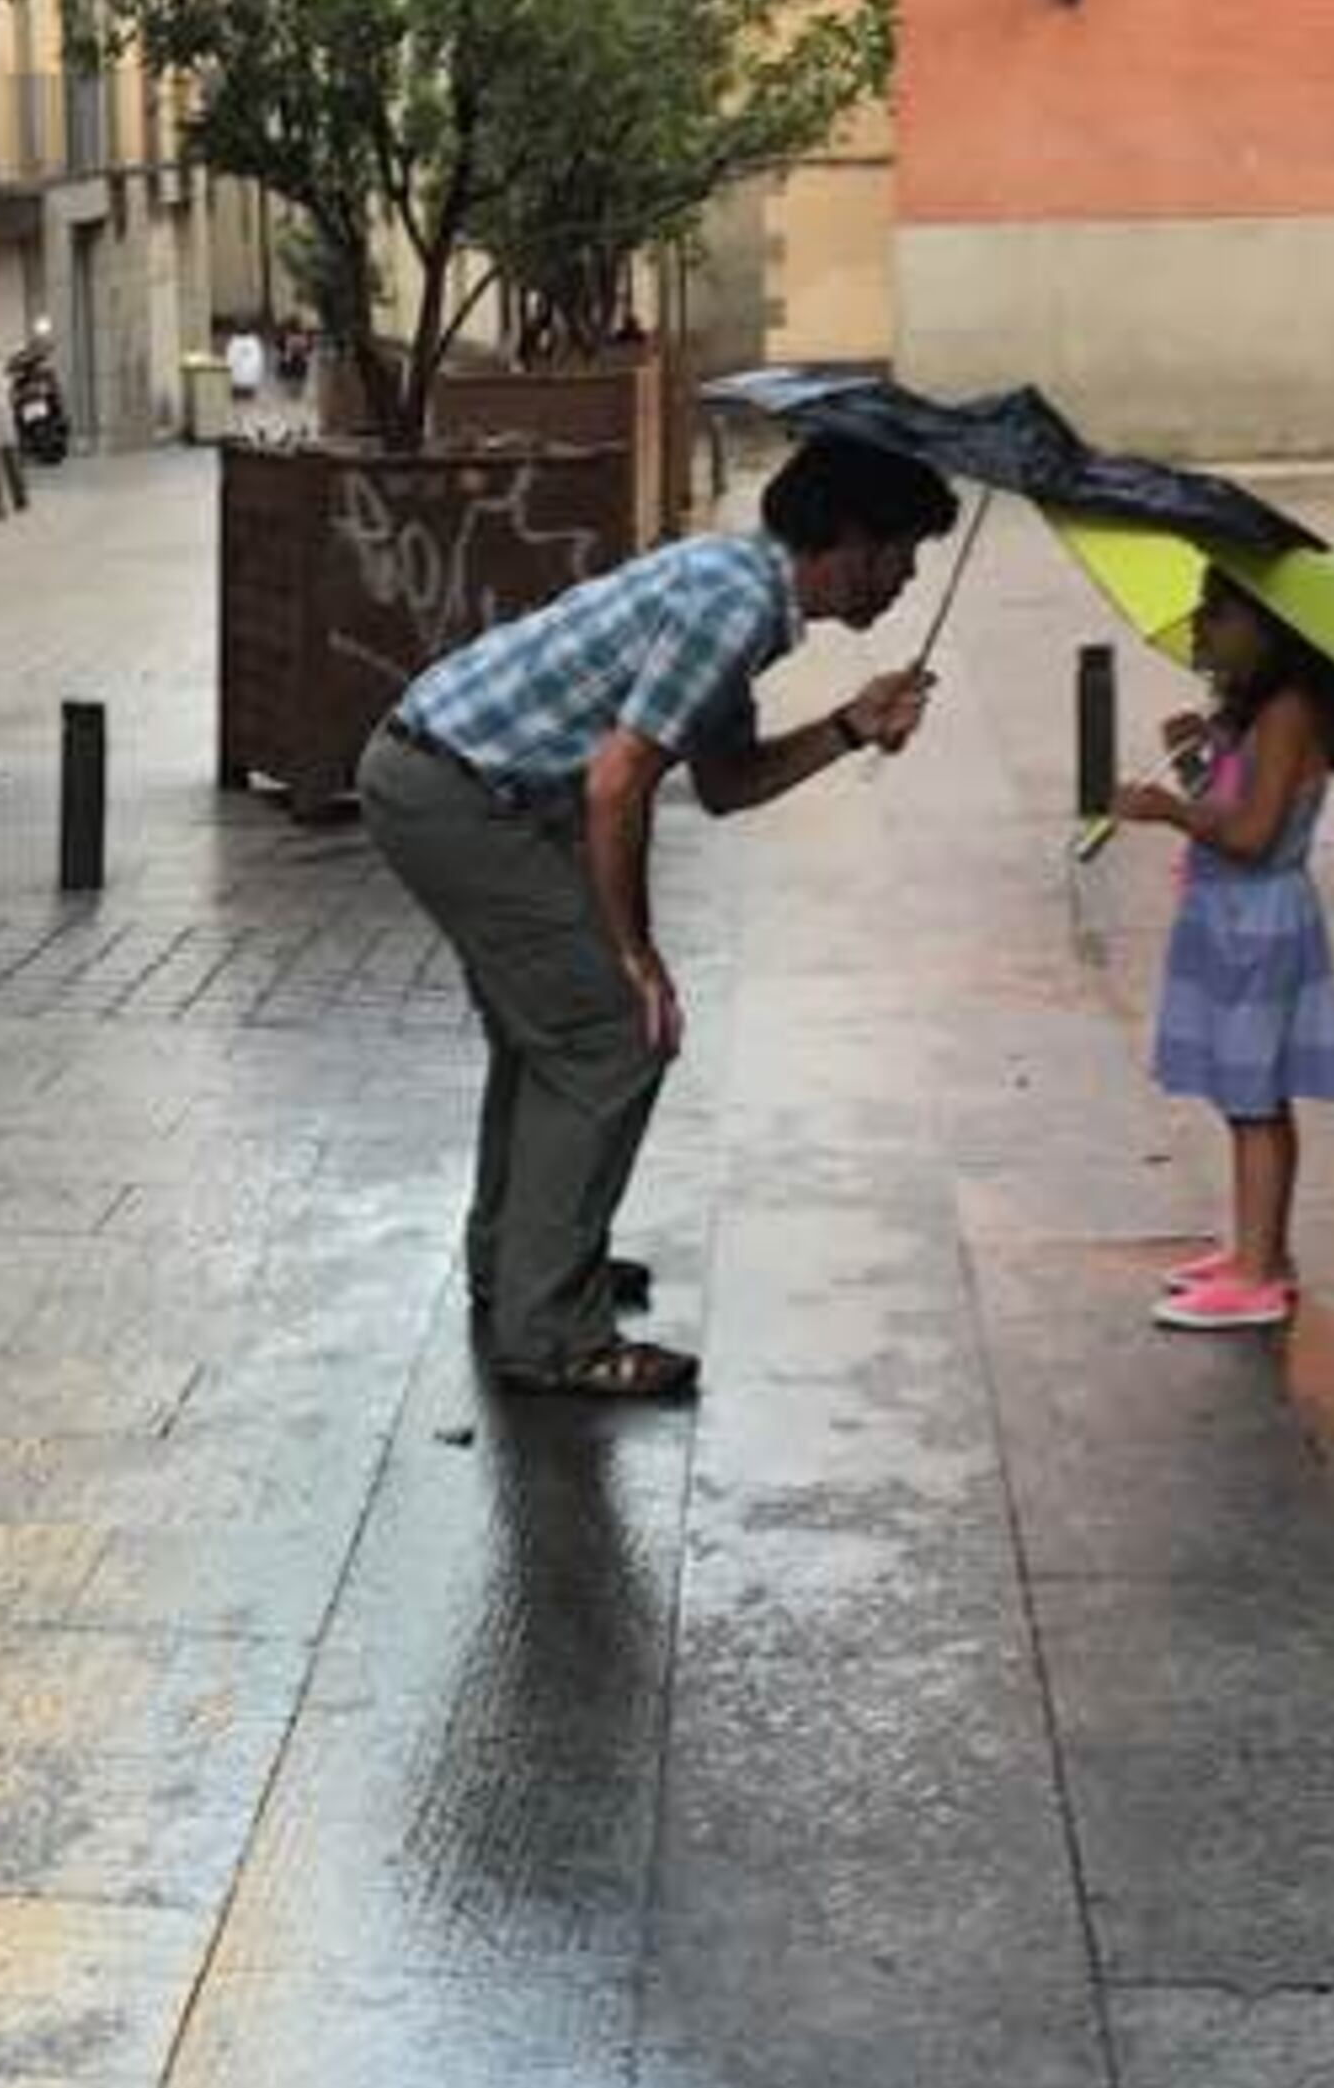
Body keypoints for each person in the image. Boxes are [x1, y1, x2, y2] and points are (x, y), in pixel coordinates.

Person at [359, 430, 952, 1405]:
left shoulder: (739, 587)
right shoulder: (734, 604)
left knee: (550, 1030)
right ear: (850, 541)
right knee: (609, 1032)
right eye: (903, 552)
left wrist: (852, 725)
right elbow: (618, 781)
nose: (906, 578)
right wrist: (634, 952)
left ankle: (522, 1265)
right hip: (457, 792)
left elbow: (726, 783)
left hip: (445, 774)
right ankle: (552, 1330)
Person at [1113, 571, 1334, 1334]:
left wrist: (1167, 810)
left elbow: (1250, 836)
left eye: (1218, 613)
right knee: (1248, 1094)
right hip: (1231, 920)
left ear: (1269, 629)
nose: (1202, 628)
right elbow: (1232, 807)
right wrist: (1195, 762)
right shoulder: (1255, 715)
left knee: (1253, 1099)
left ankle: (1257, 1275)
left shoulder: (1287, 715)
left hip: (1257, 925)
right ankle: (1261, 1252)